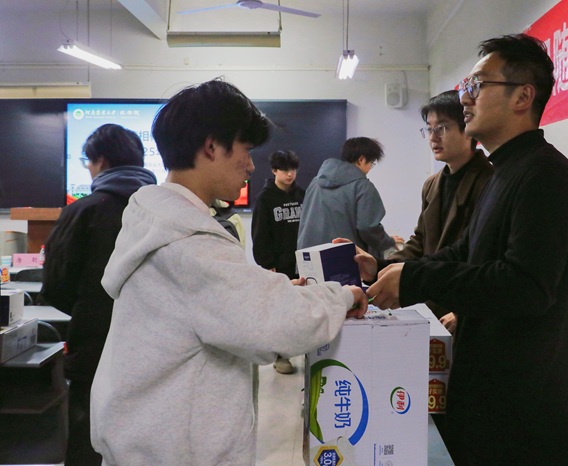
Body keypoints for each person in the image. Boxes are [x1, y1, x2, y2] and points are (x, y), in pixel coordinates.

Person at [89, 79, 368, 466]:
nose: (251, 166)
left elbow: (224, 301)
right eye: (246, 150)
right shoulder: (188, 243)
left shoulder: (160, 224)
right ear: (212, 147)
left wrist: (277, 289)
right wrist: (344, 294)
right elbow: (275, 324)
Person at [364, 34, 568, 464]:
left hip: (532, 409)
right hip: (496, 393)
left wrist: (414, 277)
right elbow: (463, 253)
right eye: (464, 88)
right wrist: (385, 270)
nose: (465, 98)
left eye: (477, 85)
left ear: (522, 97)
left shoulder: (544, 175)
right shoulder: (505, 170)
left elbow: (524, 285)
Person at [41, 123, 157, 466]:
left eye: (88, 162)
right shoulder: (164, 213)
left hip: (95, 347)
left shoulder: (83, 210)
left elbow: (56, 286)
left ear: (101, 161)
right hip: (157, 348)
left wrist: (92, 308)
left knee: (88, 438)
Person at [387, 90, 493, 327]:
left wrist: (462, 311)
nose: (433, 138)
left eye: (442, 128)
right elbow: (419, 241)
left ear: (467, 128)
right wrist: (385, 269)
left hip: (466, 305)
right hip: (430, 302)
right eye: (429, 129)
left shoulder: (490, 181)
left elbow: (487, 257)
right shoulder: (432, 184)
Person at [297, 137, 401, 258]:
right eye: (371, 164)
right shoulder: (363, 186)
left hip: (308, 256)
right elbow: (367, 227)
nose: (369, 169)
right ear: (361, 159)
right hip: (342, 258)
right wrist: (387, 241)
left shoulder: (315, 182)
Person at [251, 149, 306, 374]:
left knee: (302, 310)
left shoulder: (302, 195)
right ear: (274, 170)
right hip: (278, 266)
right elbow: (259, 234)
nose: (290, 174)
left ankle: (304, 351)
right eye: (284, 170)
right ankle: (281, 356)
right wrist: (267, 264)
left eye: (293, 169)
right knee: (281, 312)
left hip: (301, 263)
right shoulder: (265, 198)